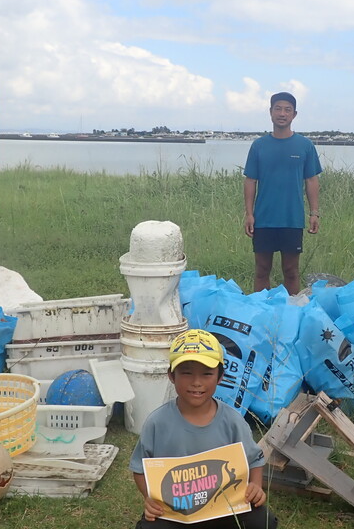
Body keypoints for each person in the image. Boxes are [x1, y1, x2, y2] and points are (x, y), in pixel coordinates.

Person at [130, 329, 278, 529]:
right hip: (177, 512)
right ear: (171, 376)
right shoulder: (157, 423)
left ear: (220, 377)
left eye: (207, 373)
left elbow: (255, 459)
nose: (196, 382)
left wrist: (255, 485)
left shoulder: (233, 421)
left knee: (262, 522)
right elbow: (139, 468)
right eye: (187, 373)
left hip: (223, 507)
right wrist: (150, 499)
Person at [243, 92, 322, 294]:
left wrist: (314, 213)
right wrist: (249, 214)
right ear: (270, 112)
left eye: (287, 109)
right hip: (263, 219)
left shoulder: (305, 145)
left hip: (292, 219)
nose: (282, 113)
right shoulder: (259, 146)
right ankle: (262, 312)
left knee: (291, 271)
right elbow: (250, 180)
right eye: (278, 108)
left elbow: (311, 180)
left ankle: (291, 313)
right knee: (262, 270)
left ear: (294, 115)